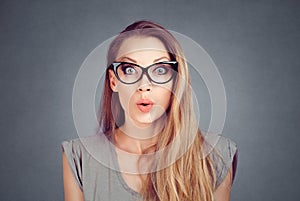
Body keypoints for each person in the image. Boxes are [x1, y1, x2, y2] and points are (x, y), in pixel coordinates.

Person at [62, 20, 238, 201]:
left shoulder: (217, 154)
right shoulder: (79, 156)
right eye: (129, 69)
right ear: (114, 81)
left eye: (160, 69)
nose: (144, 85)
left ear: (175, 80)